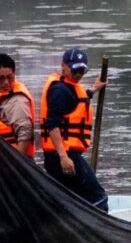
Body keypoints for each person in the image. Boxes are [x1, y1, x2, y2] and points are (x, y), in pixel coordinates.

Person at [37, 46, 108, 211]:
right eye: (75, 70)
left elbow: (75, 102)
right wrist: (63, 157)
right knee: (99, 198)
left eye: (82, 70)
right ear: (64, 65)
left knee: (73, 199)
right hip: (62, 158)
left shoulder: (68, 87)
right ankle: (95, 231)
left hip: (64, 157)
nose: (78, 74)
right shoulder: (59, 90)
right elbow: (52, 124)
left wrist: (93, 90)